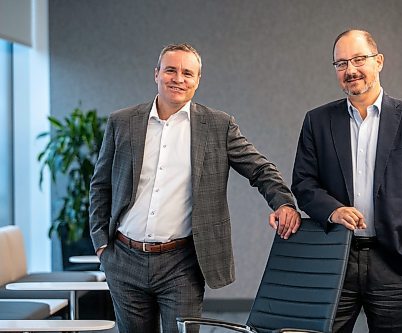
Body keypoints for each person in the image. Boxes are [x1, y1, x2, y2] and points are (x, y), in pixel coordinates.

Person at [89, 43, 301, 333]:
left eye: (187, 73)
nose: (178, 78)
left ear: (198, 80)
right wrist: (102, 243)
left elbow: (260, 168)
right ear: (156, 74)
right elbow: (100, 185)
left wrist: (283, 203)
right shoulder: (122, 122)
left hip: (182, 264)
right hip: (124, 260)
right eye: (171, 70)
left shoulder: (217, 125)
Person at [292, 29, 402, 332]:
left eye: (359, 59)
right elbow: (303, 183)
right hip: (336, 260)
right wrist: (333, 210)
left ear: (379, 61)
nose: (350, 70)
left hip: (398, 263)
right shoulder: (317, 121)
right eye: (341, 63)